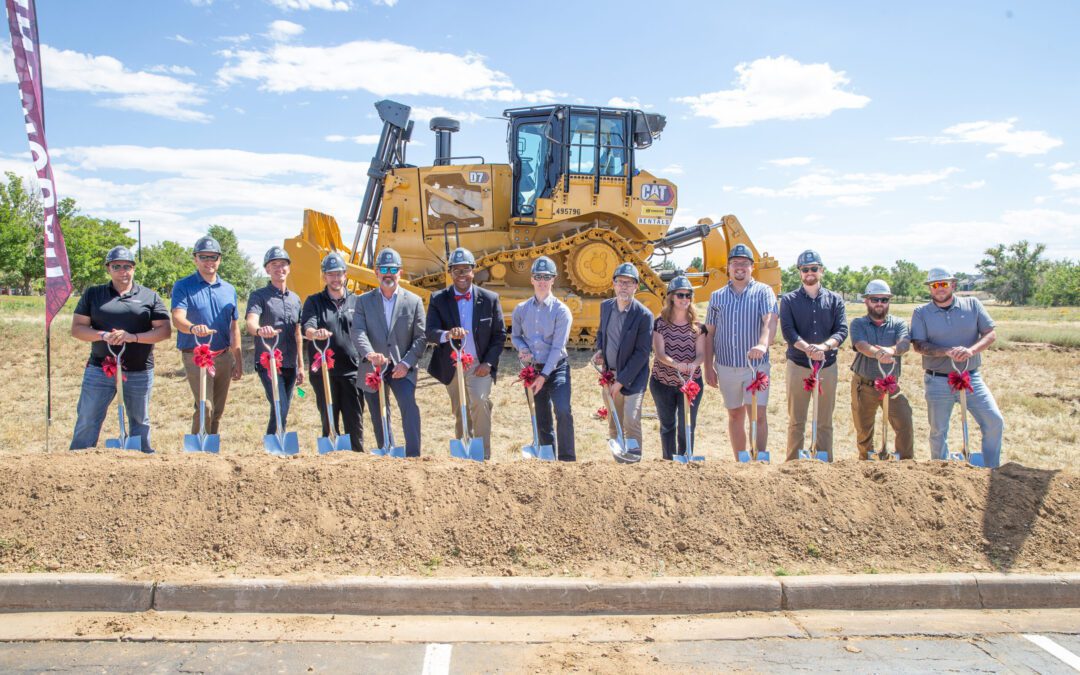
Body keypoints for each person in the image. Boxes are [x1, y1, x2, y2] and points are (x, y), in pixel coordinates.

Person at [69, 246, 171, 451]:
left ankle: (141, 462)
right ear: (108, 268)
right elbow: (77, 328)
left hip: (139, 370)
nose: (123, 271)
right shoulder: (93, 294)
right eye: (117, 266)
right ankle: (78, 463)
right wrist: (103, 335)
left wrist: (132, 337)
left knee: (140, 421)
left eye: (128, 266)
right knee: (88, 417)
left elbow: (164, 331)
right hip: (100, 369)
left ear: (133, 268)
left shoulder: (149, 296)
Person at [911, 267, 1003, 467]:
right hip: (937, 380)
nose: (939, 288)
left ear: (953, 284)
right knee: (938, 431)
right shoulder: (921, 313)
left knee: (994, 421)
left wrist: (971, 351)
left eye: (944, 284)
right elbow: (918, 345)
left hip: (971, 377)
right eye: (935, 285)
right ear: (930, 289)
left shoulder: (972, 304)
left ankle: (991, 468)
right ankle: (941, 471)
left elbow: (990, 333)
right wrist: (947, 351)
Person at [425, 247, 505, 459]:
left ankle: (483, 457)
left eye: (466, 270)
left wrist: (488, 363)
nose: (462, 275)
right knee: (461, 411)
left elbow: (499, 335)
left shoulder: (490, 299)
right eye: (457, 270)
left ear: (473, 271)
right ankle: (463, 459)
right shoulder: (438, 299)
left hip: (479, 365)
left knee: (478, 401)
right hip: (453, 366)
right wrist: (448, 334)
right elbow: (430, 332)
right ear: (450, 272)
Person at [703, 244, 779, 460]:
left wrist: (763, 344)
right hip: (726, 366)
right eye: (735, 263)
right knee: (735, 413)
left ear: (752, 267)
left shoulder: (764, 292)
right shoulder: (717, 297)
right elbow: (709, 333)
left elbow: (770, 321)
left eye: (744, 263)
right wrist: (708, 366)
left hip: (756, 367)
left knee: (758, 413)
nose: (740, 267)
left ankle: (759, 457)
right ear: (728, 267)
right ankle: (741, 461)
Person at [351, 248, 427, 457]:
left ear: (400, 272)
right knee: (378, 413)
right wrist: (369, 354)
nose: (388, 274)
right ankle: (387, 453)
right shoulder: (363, 301)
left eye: (393, 269)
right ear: (376, 272)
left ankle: (413, 456)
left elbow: (421, 337)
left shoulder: (413, 301)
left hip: (401, 368)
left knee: (409, 408)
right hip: (373, 368)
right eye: (383, 269)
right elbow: (358, 331)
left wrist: (406, 364)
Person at [779, 250, 848, 461]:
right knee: (796, 420)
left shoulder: (835, 300)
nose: (809, 273)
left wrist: (824, 347)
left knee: (825, 420)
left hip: (827, 366)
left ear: (821, 271)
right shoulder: (789, 300)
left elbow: (842, 330)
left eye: (814, 269)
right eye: (805, 269)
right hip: (799, 365)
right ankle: (793, 464)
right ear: (800, 273)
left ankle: (824, 462)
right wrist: (807, 348)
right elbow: (788, 332)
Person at [171, 236, 243, 435]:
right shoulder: (183, 286)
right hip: (196, 356)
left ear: (220, 259)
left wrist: (237, 359)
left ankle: (211, 452)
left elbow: (234, 327)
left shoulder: (229, 289)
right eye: (204, 257)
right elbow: (177, 318)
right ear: (195, 259)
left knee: (218, 410)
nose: (209, 261)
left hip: (223, 356)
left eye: (213, 257)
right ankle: (197, 452)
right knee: (206, 406)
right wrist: (193, 328)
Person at [510, 256, 576, 461]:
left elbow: (557, 348)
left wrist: (544, 376)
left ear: (553, 279)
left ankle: (566, 460)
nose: (542, 281)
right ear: (531, 279)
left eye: (546, 277)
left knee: (563, 410)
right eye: (538, 276)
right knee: (541, 415)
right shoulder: (521, 309)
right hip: (533, 369)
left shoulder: (561, 311)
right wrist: (522, 348)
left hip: (556, 370)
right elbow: (516, 336)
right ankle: (547, 457)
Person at [302, 252, 364, 451]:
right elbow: (307, 327)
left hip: (353, 371)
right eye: (331, 274)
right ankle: (330, 465)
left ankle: (357, 457)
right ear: (324, 276)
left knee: (354, 421)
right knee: (329, 419)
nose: (335, 279)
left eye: (339, 274)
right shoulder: (314, 302)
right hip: (324, 373)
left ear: (345, 275)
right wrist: (315, 333)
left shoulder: (357, 302)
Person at [849, 279, 914, 460]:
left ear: (889, 301)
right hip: (865, 385)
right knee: (863, 429)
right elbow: (860, 344)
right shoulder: (858, 323)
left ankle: (906, 464)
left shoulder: (899, 324)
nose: (879, 303)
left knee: (904, 423)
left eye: (884, 300)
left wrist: (892, 350)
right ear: (867, 301)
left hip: (891, 385)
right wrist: (878, 353)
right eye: (875, 299)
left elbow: (904, 343)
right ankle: (866, 462)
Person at [593, 262, 654, 453]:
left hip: (633, 378)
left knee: (631, 420)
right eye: (620, 282)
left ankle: (634, 464)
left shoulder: (644, 315)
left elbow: (642, 353)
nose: (624, 287)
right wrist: (600, 350)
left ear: (636, 286)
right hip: (609, 376)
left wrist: (621, 381)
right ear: (613, 284)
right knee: (614, 421)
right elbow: (602, 333)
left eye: (629, 283)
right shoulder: (606, 307)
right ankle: (618, 465)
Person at [246, 246, 304, 436]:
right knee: (280, 405)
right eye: (274, 264)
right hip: (268, 362)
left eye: (283, 264)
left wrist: (301, 366)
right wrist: (260, 330)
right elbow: (251, 322)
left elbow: (298, 334)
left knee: (282, 409)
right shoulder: (259, 296)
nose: (280, 268)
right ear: (267, 269)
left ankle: (274, 445)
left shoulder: (296, 299)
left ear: (289, 268)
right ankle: (274, 446)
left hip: (290, 364)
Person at [650, 275, 707, 460]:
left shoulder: (698, 327)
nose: (684, 299)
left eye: (688, 295)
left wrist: (692, 365)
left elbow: (701, 354)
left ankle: (685, 458)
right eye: (680, 295)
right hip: (663, 382)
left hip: (690, 383)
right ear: (671, 297)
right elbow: (659, 353)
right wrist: (677, 365)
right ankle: (668, 461)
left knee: (687, 424)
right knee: (667, 425)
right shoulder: (660, 324)